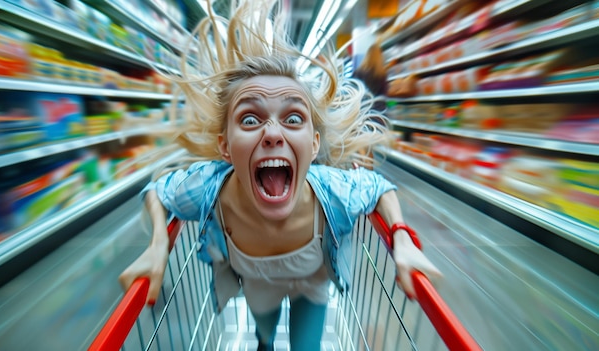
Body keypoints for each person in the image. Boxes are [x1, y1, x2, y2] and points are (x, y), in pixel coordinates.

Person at [119, 1, 441, 350]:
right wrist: (157, 247)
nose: (273, 134)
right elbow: (159, 191)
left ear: (314, 144)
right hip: (259, 287)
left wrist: (402, 238)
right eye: (250, 119)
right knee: (265, 341)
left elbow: (379, 188)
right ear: (225, 146)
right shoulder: (209, 189)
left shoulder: (332, 193)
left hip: (312, 285)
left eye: (292, 119)